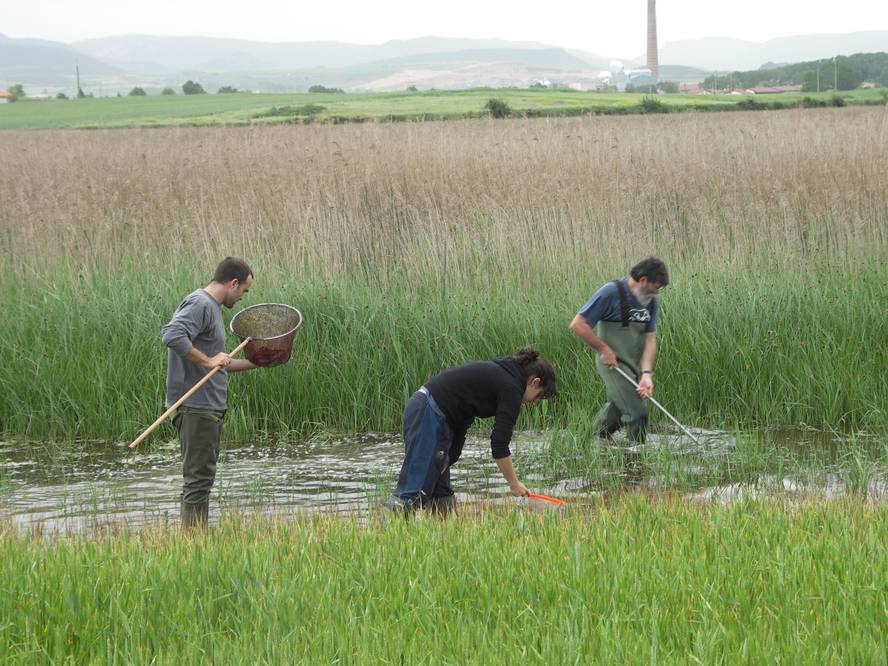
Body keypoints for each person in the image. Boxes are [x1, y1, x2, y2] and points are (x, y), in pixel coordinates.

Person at [385, 347, 557, 515]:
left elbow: (464, 414)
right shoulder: (512, 388)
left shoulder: (505, 374)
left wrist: (452, 455)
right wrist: (514, 483)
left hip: (437, 415)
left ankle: (444, 537)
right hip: (428, 412)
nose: (533, 402)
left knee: (441, 490)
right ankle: (386, 535)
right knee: (414, 490)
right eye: (538, 396)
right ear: (535, 382)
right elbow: (499, 445)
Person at [161, 256, 260, 528]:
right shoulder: (200, 303)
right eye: (244, 290)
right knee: (198, 479)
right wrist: (207, 361)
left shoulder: (212, 308)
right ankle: (195, 543)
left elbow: (220, 365)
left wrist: (257, 362)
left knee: (202, 478)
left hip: (209, 407)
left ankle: (196, 537)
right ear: (233, 283)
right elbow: (172, 335)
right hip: (196, 407)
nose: (243, 296)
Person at [568, 257, 669, 444]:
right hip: (613, 365)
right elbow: (578, 324)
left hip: (632, 366)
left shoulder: (651, 301)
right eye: (654, 288)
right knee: (637, 414)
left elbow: (650, 339)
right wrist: (603, 349)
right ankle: (635, 462)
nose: (655, 294)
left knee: (616, 411)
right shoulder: (610, 292)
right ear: (643, 280)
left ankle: (589, 443)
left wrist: (647, 374)